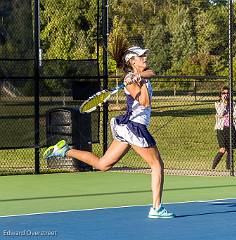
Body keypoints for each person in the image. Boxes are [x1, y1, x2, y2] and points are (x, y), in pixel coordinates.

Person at [43, 46, 175, 219]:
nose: (145, 58)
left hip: (128, 126)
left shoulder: (140, 74)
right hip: (135, 127)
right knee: (157, 165)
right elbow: (145, 103)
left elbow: (153, 72)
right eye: (141, 56)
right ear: (132, 61)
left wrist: (140, 75)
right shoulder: (131, 82)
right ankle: (156, 208)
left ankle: (65, 150)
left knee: (102, 165)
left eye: (145, 55)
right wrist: (137, 82)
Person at [212, 86, 236, 170]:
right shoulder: (218, 104)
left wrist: (226, 115)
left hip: (231, 128)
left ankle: (229, 169)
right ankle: (213, 167)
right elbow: (220, 113)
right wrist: (224, 103)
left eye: (227, 93)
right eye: (224, 93)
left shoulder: (233, 103)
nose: (225, 95)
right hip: (221, 128)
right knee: (223, 149)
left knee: (230, 149)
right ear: (221, 94)